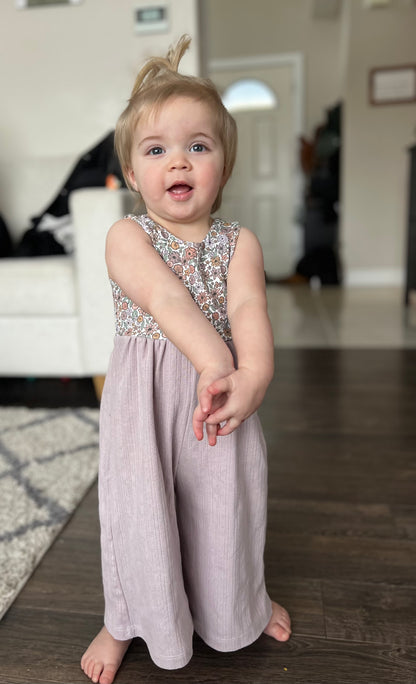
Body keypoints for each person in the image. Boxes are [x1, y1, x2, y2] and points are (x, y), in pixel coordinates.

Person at [81, 35, 291, 684]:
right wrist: (215, 361)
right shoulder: (126, 236)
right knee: (140, 513)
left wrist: (252, 375)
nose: (178, 160)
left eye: (198, 146)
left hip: (218, 402)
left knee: (224, 509)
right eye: (156, 150)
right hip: (147, 404)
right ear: (132, 173)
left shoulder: (239, 242)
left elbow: (250, 309)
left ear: (223, 167)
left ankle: (241, 604)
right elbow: (166, 299)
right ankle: (125, 619)